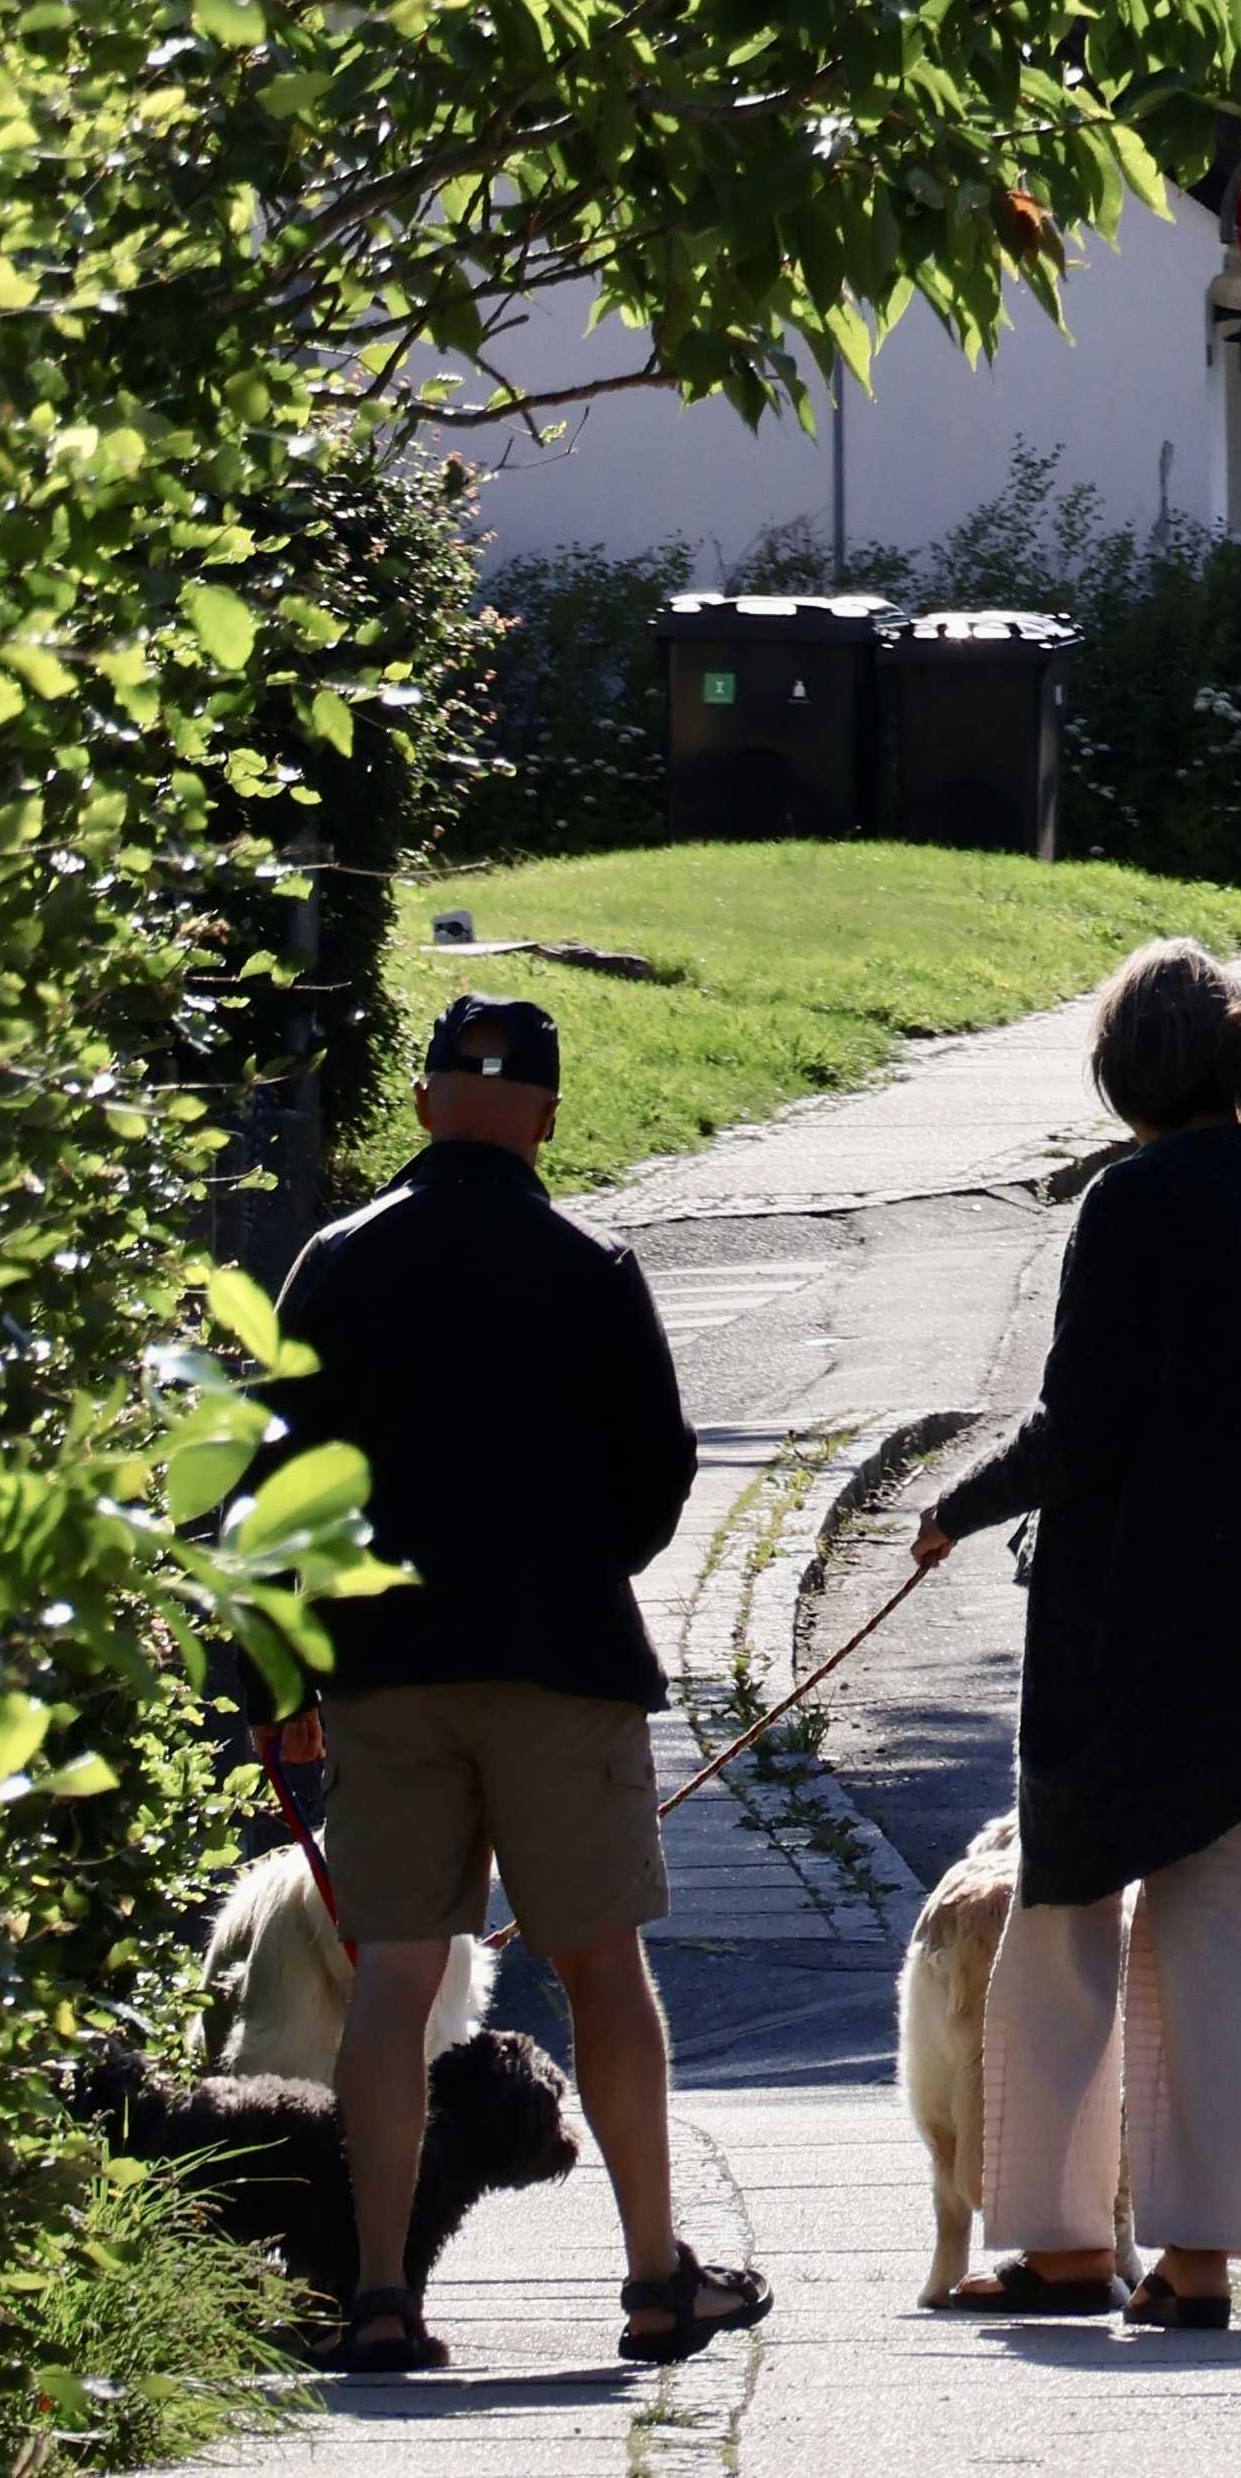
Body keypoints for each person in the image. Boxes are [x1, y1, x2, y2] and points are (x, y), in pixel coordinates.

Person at [251, 993, 770, 2375]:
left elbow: (270, 1482)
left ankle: (374, 2294)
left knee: (394, 1972)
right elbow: (657, 1477)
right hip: (559, 1663)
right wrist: (574, 1566)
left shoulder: (336, 1261)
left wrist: (283, 1671)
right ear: (544, 1118)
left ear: (422, 1105)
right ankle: (658, 2279)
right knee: (602, 1964)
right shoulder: (592, 1264)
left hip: (384, 1667)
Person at [909, 938, 1241, 2326]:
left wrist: (961, 1507)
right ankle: (1197, 2259)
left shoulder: (1127, 1206)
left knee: (1062, 1933)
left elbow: (1082, 1423)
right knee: (1220, 1953)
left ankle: (1057, 2243)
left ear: (1123, 1075)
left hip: (1123, 1645)